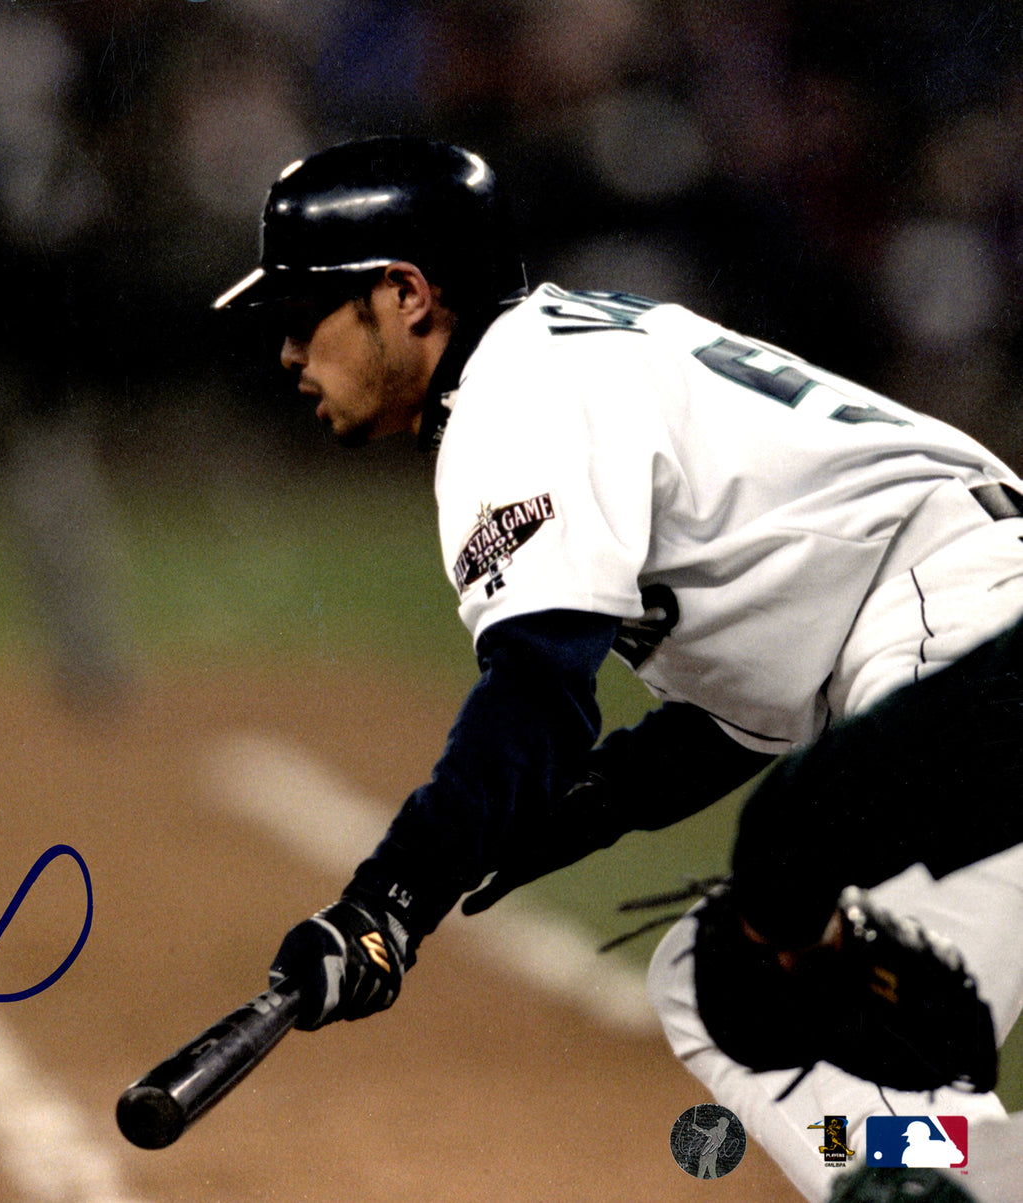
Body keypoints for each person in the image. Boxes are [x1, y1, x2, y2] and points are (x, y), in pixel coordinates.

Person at [211, 135, 1023, 1203]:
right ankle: (974, 1176)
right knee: (737, 1003)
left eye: (303, 313)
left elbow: (536, 696)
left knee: (807, 1014)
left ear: (405, 294)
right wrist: (588, 805)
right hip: (957, 628)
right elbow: (748, 706)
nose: (286, 352)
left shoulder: (515, 398)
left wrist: (388, 902)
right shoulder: (565, 353)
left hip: (962, 632)